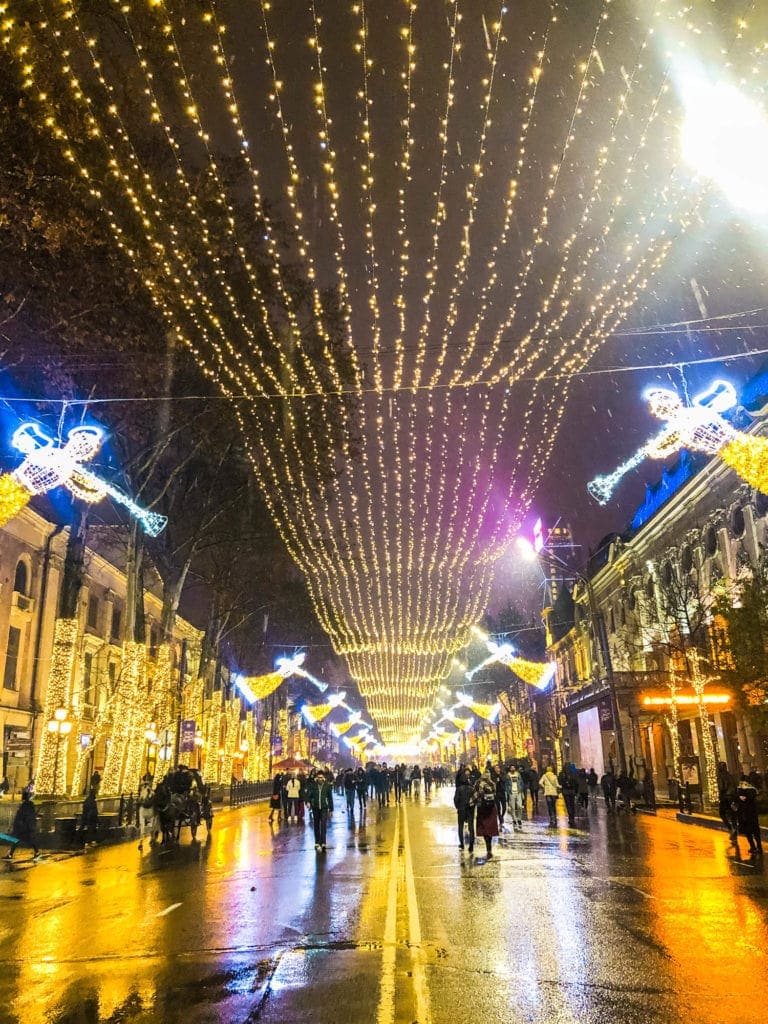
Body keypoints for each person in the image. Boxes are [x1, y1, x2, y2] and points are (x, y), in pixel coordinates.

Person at [4, 791, 40, 861]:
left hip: (22, 827)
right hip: (27, 827)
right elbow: (31, 815)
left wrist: (15, 824)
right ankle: (37, 852)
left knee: (16, 840)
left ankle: (10, 855)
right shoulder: (30, 805)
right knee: (29, 840)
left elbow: (20, 816)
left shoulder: (24, 805)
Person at [735, 776, 763, 860]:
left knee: (751, 831)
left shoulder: (746, 791)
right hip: (749, 814)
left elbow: (744, 799)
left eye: (743, 783)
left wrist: (741, 795)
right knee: (752, 831)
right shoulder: (749, 790)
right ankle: (756, 847)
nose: (742, 784)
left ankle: (755, 847)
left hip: (748, 814)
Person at [473, 770, 499, 859]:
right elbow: (495, 794)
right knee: (489, 829)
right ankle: (489, 848)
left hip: (483, 809)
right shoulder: (492, 784)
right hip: (491, 808)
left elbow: (476, 795)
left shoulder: (478, 783)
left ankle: (488, 848)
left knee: (485, 828)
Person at [308, 770, 334, 851]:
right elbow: (309, 795)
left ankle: (323, 842)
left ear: (323, 778)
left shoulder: (327, 786)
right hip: (315, 807)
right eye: (319, 777)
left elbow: (330, 798)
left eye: (321, 777)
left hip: (324, 808)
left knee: (323, 825)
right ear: (317, 778)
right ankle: (317, 842)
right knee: (316, 825)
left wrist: (331, 809)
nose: (320, 779)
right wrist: (308, 802)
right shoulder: (313, 785)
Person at [454, 767, 475, 852]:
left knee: (460, 826)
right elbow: (475, 799)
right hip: (470, 810)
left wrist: (458, 807)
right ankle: (471, 845)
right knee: (471, 827)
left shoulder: (459, 789)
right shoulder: (472, 789)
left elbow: (456, 800)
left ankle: (462, 844)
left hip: (461, 809)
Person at [137, 773, 154, 850]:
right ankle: (141, 841)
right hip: (144, 808)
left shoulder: (150, 791)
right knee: (143, 825)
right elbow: (141, 798)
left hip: (149, 807)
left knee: (149, 824)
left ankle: (151, 837)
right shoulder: (143, 790)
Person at [506, 763, 525, 831]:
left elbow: (521, 782)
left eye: (513, 767)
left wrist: (521, 790)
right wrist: (508, 791)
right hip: (511, 793)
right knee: (513, 808)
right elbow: (506, 784)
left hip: (518, 792)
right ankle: (514, 820)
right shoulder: (508, 775)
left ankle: (519, 819)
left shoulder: (518, 774)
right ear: (510, 769)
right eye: (511, 768)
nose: (512, 769)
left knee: (519, 806)